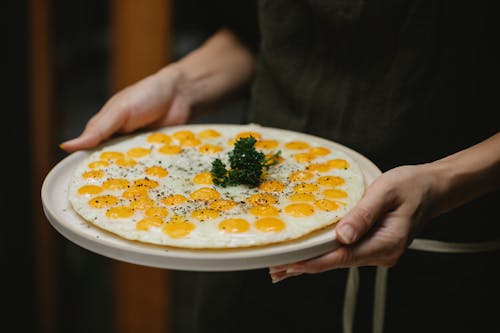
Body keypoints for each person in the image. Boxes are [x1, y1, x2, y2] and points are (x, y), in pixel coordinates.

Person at [61, 1, 500, 332]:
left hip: (437, 256)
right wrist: (181, 84)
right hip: (253, 252)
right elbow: (258, 29)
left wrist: (443, 182)